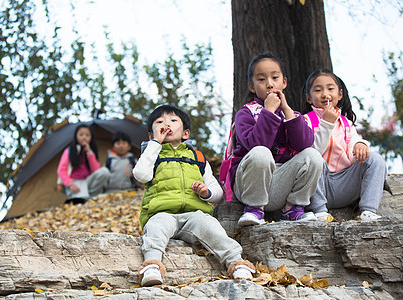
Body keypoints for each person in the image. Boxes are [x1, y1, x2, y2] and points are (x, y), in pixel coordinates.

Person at [133, 105, 256, 287]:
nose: (166, 124)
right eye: (160, 122)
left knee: (212, 227)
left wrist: (206, 192)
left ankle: (236, 262)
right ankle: (152, 265)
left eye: (173, 121)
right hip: (162, 213)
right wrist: (155, 144)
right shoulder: (152, 155)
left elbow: (217, 191)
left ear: (185, 133)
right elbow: (141, 175)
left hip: (194, 215)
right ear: (151, 135)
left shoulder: (197, 158)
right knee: (155, 229)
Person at [231, 52, 324, 226]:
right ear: (252, 87)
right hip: (250, 183)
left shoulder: (293, 115)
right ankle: (253, 209)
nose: (269, 84)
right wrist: (268, 112)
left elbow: (304, 144)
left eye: (275, 77)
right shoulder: (245, 114)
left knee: (312, 155)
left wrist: (287, 110)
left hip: (280, 185)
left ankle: (292, 208)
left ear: (284, 82)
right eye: (261, 79)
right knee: (261, 152)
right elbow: (256, 144)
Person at [302, 69, 387, 221]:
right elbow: (312, 153)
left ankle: (368, 210)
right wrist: (326, 123)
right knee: (315, 160)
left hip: (345, 184)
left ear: (339, 95)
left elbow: (354, 150)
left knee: (375, 158)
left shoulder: (346, 123)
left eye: (330, 88)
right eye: (318, 90)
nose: (324, 93)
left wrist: (360, 144)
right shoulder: (305, 121)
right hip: (319, 186)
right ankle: (320, 211)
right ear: (309, 98)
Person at [57, 124, 108, 198]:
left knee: (105, 172)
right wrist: (70, 184)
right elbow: (61, 170)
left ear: (91, 137)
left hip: (87, 180)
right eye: (81, 135)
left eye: (87, 135)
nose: (84, 137)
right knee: (82, 201)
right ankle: (82, 195)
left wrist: (89, 152)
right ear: (76, 136)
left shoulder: (91, 151)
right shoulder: (70, 150)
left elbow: (96, 170)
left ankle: (88, 194)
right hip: (74, 182)